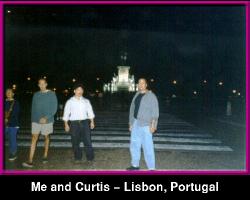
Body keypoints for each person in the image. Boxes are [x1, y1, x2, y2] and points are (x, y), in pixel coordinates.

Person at [22, 78, 58, 168]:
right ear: (38, 85)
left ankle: (45, 155)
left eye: (43, 83)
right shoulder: (36, 95)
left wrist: (46, 117)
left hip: (48, 120)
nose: (41, 85)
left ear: (46, 84)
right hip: (36, 120)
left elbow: (54, 107)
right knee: (34, 138)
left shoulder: (52, 94)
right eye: (40, 84)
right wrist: (33, 120)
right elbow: (33, 109)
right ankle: (30, 160)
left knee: (46, 137)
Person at [127, 78, 159, 170]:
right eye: (139, 83)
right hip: (136, 123)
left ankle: (151, 168)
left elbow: (155, 112)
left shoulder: (151, 96)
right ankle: (135, 165)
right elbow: (132, 109)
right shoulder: (136, 95)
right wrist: (130, 123)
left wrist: (153, 125)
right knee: (134, 145)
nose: (140, 85)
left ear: (146, 85)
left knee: (148, 147)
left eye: (142, 83)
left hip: (146, 125)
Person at [63, 83, 95, 163]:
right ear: (74, 91)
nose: (79, 91)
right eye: (78, 90)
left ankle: (90, 158)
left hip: (84, 122)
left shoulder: (86, 101)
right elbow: (66, 113)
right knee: (75, 141)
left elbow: (90, 112)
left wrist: (92, 122)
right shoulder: (70, 101)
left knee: (87, 141)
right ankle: (78, 157)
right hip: (74, 123)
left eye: (81, 90)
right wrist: (66, 124)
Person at [5, 88, 20, 161]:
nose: (8, 93)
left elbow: (15, 113)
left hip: (13, 124)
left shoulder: (16, 103)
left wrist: (7, 119)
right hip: (4, 124)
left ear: (13, 94)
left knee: (12, 139)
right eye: (7, 92)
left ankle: (13, 153)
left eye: (10, 92)